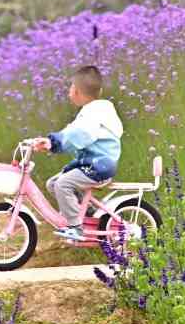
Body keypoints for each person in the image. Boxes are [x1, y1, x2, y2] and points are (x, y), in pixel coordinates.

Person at [31, 64, 123, 244]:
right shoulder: (92, 111)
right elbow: (71, 131)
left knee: (63, 184)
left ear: (77, 91)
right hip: (90, 163)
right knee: (53, 184)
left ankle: (76, 227)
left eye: (70, 87)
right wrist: (51, 141)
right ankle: (87, 212)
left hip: (99, 166)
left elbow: (78, 135)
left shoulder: (95, 113)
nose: (68, 92)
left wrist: (53, 143)